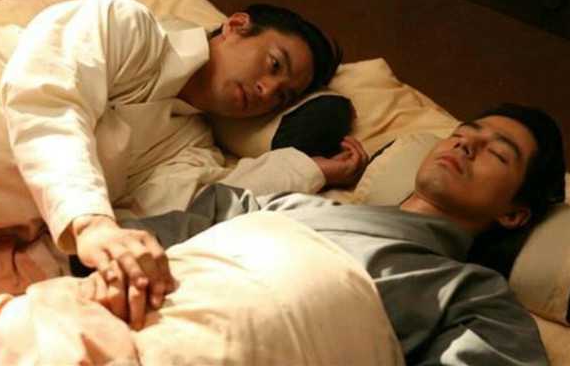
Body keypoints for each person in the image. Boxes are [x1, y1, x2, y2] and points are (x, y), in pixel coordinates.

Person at [0, 0, 369, 309]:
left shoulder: (190, 147)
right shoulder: (126, 25)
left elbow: (210, 207)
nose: (267, 89)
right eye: (274, 65)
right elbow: (48, 99)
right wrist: (89, 223)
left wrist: (309, 169)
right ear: (236, 26)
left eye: (282, 96)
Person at [90, 103, 565, 363]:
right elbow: (143, 237)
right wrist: (106, 248)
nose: (466, 144)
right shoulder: (288, 205)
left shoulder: (473, 295)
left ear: (513, 214)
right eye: (462, 132)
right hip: (102, 312)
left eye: (497, 153)